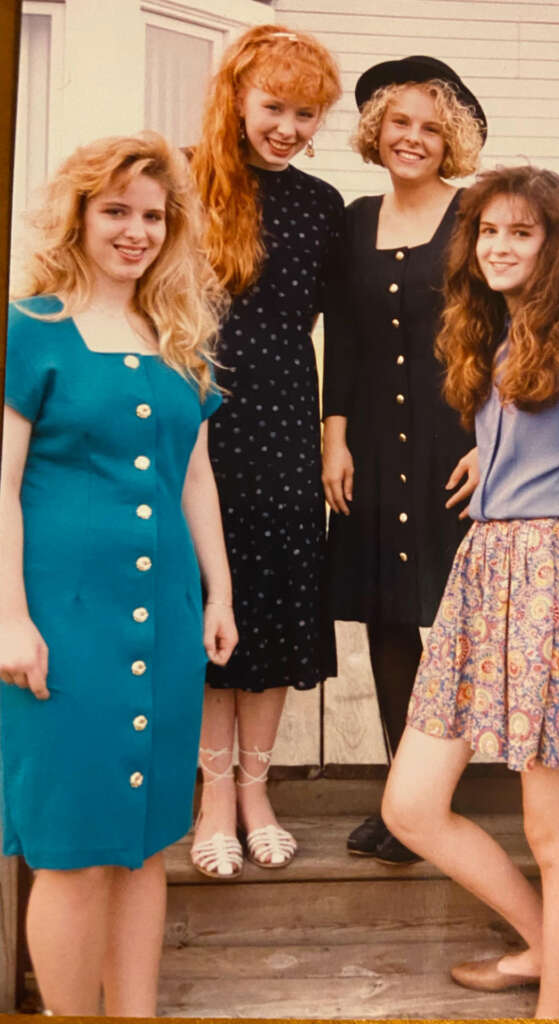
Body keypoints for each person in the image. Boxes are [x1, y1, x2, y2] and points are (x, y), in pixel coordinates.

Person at [380, 166, 559, 1017]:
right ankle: (547, 943)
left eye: (522, 232)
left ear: (554, 244)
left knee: (557, 833)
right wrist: (492, 457)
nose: (500, 247)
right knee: (412, 804)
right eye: (489, 233)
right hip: (485, 576)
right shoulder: (499, 337)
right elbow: (542, 438)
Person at [0, 131, 237, 1016]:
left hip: (164, 615)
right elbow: (3, 482)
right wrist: (9, 617)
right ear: (79, 215)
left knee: (144, 841)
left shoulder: (177, 336)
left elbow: (196, 476)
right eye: (116, 212)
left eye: (151, 215)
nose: (135, 231)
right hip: (62, 620)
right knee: (69, 844)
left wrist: (218, 591)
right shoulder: (28, 329)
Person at [321, 56, 486, 864]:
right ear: (376, 130)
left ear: (448, 138)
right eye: (399, 123)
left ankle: (437, 799)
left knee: (456, 621)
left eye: (430, 126)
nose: (412, 138)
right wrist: (334, 434)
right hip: (376, 453)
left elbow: (505, 334)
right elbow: (345, 338)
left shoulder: (477, 216)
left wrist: (496, 442)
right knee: (389, 620)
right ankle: (402, 800)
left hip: (459, 446)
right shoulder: (354, 220)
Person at [188, 24, 343, 876]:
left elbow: (347, 329)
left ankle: (256, 789)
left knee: (278, 600)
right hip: (201, 410)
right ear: (239, 101)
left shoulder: (322, 205)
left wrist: (331, 436)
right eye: (273, 106)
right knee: (220, 592)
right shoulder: (185, 181)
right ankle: (211, 795)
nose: (287, 125)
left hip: (286, 411)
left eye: (305, 112)